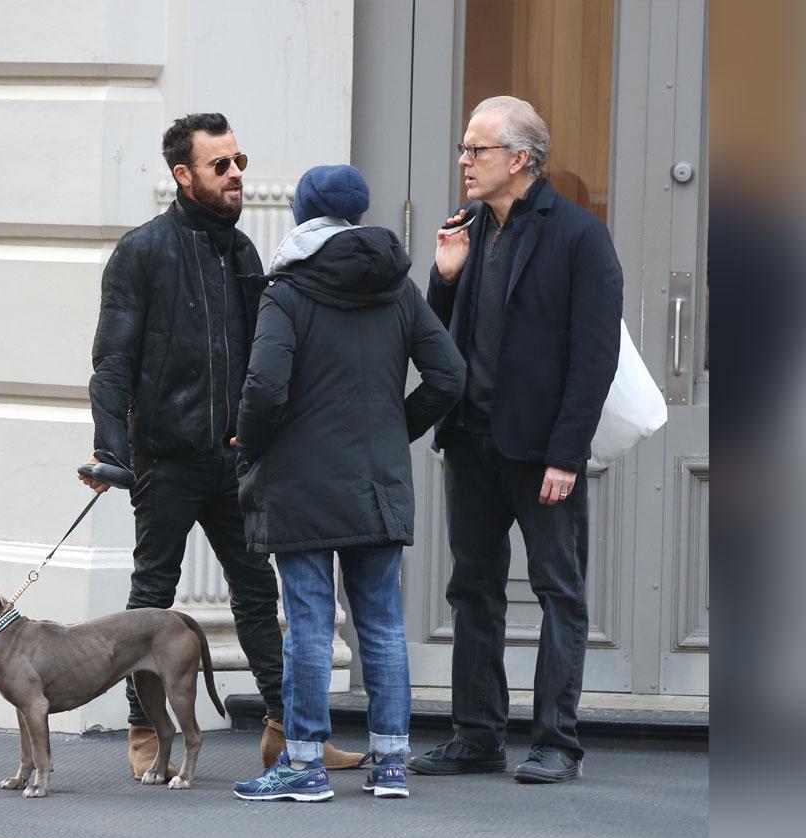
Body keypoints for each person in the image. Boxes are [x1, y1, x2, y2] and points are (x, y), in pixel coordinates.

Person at [83, 113, 362, 777]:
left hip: (235, 460)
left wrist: (262, 439)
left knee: (258, 596)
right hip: (166, 458)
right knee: (151, 600)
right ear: (184, 176)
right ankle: (145, 728)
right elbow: (112, 360)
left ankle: (287, 730)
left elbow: (259, 361)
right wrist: (112, 454)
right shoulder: (141, 251)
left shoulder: (241, 253)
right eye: (221, 166)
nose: (236, 175)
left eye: (238, 162)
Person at [230, 165, 465, 802]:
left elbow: (264, 388)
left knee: (308, 624)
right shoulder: (399, 288)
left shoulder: (287, 290)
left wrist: (246, 446)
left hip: (301, 484)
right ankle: (391, 763)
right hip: (378, 484)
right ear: (359, 213)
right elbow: (448, 377)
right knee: (382, 624)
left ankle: (305, 766)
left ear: (303, 213)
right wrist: (395, 432)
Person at [407, 96, 622, 783]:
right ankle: (477, 737)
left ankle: (556, 741)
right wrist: (443, 281)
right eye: (466, 149)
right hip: (470, 442)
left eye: (478, 150)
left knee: (559, 591)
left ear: (520, 159)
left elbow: (594, 359)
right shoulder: (467, 228)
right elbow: (434, 342)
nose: (465, 161)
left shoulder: (579, 237)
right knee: (474, 589)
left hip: (540, 453)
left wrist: (567, 452)